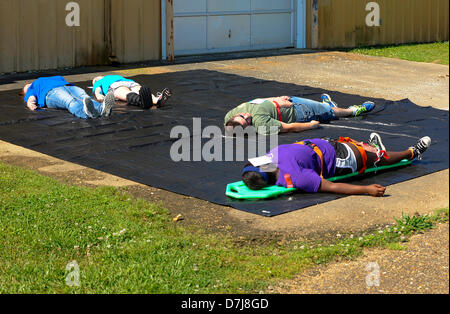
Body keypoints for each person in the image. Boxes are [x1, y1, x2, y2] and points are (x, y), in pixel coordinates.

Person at [242, 133, 432, 197]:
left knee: (363, 148)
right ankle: (412, 152)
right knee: (376, 157)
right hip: (341, 159)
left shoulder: (269, 159)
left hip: (325, 145)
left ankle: (372, 147)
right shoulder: (297, 177)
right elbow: (332, 186)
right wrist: (366, 189)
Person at [224, 94, 375, 135]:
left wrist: (276, 99)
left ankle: (327, 105)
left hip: (286, 102)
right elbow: (289, 127)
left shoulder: (231, 116)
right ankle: (353, 110)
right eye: (247, 121)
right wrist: (310, 125)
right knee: (328, 113)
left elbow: (254, 101)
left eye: (242, 116)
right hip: (299, 111)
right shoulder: (261, 124)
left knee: (322, 108)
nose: (246, 115)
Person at [20, 76, 114, 119]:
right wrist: (31, 103)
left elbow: (61, 79)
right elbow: (31, 98)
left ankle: (102, 109)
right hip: (51, 93)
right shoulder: (33, 87)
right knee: (70, 101)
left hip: (68, 86)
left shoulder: (47, 79)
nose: (28, 86)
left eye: (28, 85)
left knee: (84, 97)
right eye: (26, 88)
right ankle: (85, 113)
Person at [92, 75, 172, 110]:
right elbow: (97, 89)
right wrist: (98, 94)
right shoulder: (101, 81)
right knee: (134, 90)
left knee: (131, 91)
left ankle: (149, 100)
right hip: (124, 83)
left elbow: (97, 89)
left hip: (121, 84)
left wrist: (98, 94)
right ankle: (155, 100)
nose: (95, 79)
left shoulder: (104, 79)